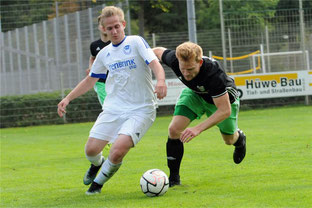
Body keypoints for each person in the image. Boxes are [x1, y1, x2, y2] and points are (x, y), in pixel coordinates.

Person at [57, 6, 167, 195]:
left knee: (117, 150)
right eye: (110, 28)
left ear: (123, 24)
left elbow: (155, 64)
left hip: (141, 109)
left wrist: (162, 81)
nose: (114, 31)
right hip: (114, 109)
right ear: (104, 30)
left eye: (117, 26)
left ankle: (96, 187)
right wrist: (67, 98)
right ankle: (97, 165)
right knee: (91, 151)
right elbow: (89, 80)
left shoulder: (136, 42)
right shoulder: (104, 54)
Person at [153, 42, 246, 187]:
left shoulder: (213, 74)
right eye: (183, 69)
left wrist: (197, 129)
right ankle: (173, 179)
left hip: (222, 101)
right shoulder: (174, 59)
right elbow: (156, 51)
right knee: (174, 129)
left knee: (229, 140)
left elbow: (224, 110)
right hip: (195, 95)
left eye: (190, 69)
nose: (186, 73)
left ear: (200, 62)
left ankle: (239, 139)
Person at [85, 14, 111, 106]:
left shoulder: (115, 43)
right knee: (107, 107)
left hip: (115, 81)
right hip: (101, 82)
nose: (103, 27)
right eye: (101, 24)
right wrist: (91, 69)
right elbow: (92, 58)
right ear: (99, 27)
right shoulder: (94, 45)